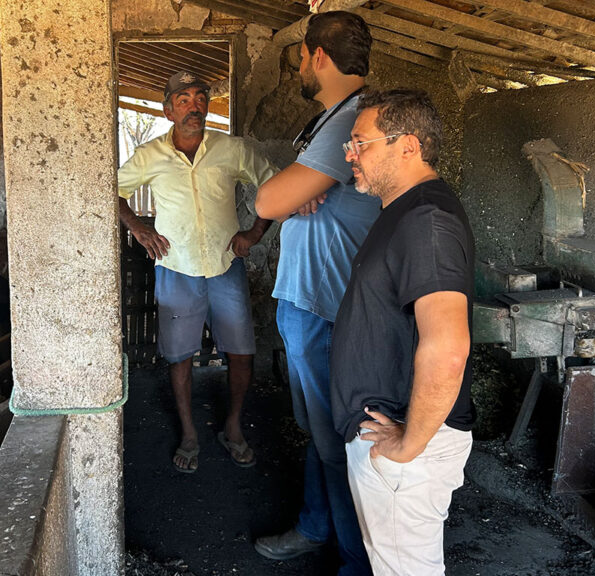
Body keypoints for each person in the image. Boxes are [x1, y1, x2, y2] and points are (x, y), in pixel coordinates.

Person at [251, 11, 377, 574]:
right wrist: (293, 189)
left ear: (318, 56)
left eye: (302, 57)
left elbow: (265, 202)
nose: (300, 67)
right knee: (319, 430)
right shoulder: (331, 121)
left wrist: (285, 191)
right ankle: (314, 526)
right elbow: (288, 193)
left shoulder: (348, 119)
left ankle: (354, 560)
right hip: (309, 297)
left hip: (328, 302)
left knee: (337, 440)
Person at [332, 88, 475, 575]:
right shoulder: (403, 211)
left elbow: (448, 346)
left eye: (360, 143)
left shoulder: (424, 220)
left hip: (408, 444)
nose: (349, 154)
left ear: (408, 146)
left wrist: (408, 445)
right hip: (394, 430)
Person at [118, 71, 277, 473]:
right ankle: (190, 433)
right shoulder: (149, 155)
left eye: (201, 97)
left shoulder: (231, 149)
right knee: (180, 357)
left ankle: (234, 427)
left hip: (226, 265)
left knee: (241, 354)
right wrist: (138, 226)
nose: (194, 105)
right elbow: (109, 189)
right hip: (176, 267)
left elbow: (274, 184)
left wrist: (255, 232)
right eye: (184, 99)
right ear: (168, 109)